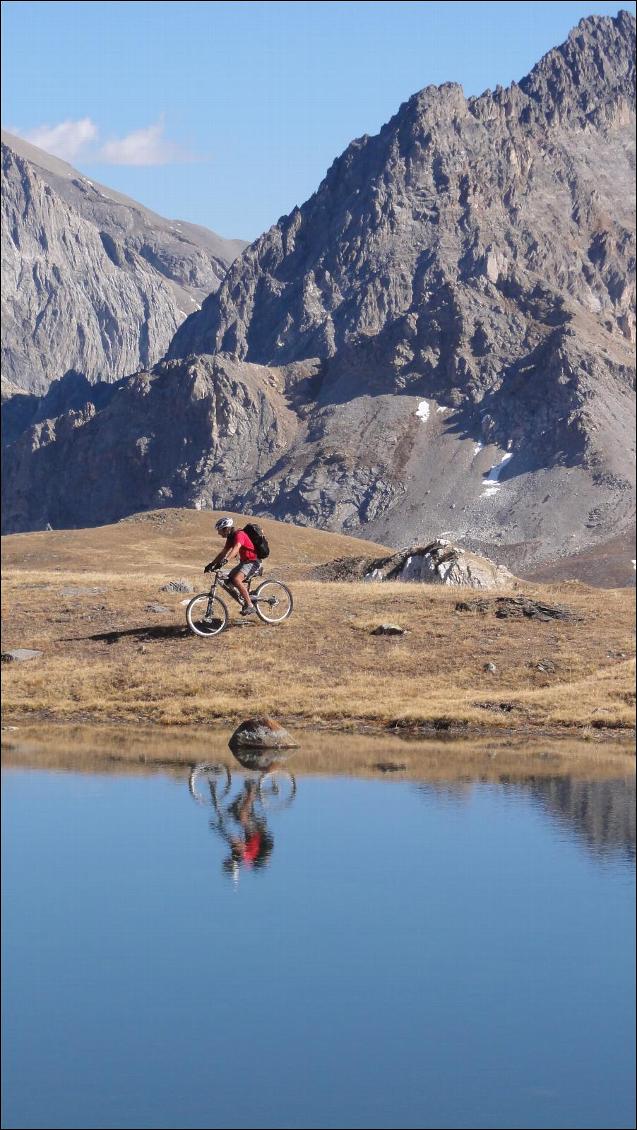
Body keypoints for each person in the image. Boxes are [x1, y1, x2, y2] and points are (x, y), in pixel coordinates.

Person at [204, 516, 260, 616]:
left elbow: (236, 548)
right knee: (228, 580)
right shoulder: (230, 538)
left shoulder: (239, 534)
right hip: (244, 562)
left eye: (220, 530)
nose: (218, 533)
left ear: (226, 529)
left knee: (236, 580)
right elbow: (223, 552)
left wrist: (226, 560)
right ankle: (245, 596)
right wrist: (211, 564)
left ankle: (250, 605)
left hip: (253, 562)